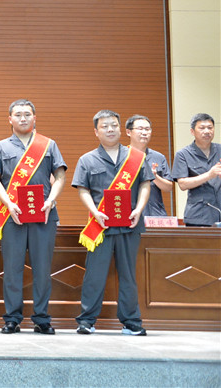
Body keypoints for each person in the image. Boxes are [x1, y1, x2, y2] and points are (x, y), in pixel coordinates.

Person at [0, 100, 66, 335]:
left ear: (34, 118)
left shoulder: (48, 145)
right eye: (18, 114)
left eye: (27, 114)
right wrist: (8, 204)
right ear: (9, 119)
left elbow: (60, 176)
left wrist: (51, 200)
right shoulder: (0, 147)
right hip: (13, 215)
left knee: (42, 269)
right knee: (12, 269)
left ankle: (41, 318)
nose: (23, 118)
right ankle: (12, 318)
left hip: (44, 215)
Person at [72, 109, 153, 336]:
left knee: (128, 275)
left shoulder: (136, 157)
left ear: (121, 129)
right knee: (94, 275)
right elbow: (83, 189)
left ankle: (131, 321)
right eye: (105, 126)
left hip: (130, 224)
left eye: (114, 125)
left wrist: (139, 209)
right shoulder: (87, 159)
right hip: (100, 226)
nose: (110, 129)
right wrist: (94, 212)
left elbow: (145, 184)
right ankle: (87, 320)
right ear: (96, 131)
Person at [171, 113, 221, 227]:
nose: (207, 131)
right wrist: (209, 175)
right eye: (202, 128)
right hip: (198, 216)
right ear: (192, 131)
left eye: (210, 127)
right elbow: (182, 184)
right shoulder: (183, 154)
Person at [125, 115, 173, 217]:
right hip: (129, 214)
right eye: (140, 129)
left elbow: (168, 187)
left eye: (147, 129)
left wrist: (155, 177)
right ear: (128, 132)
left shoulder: (159, 157)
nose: (144, 132)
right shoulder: (121, 157)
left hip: (155, 214)